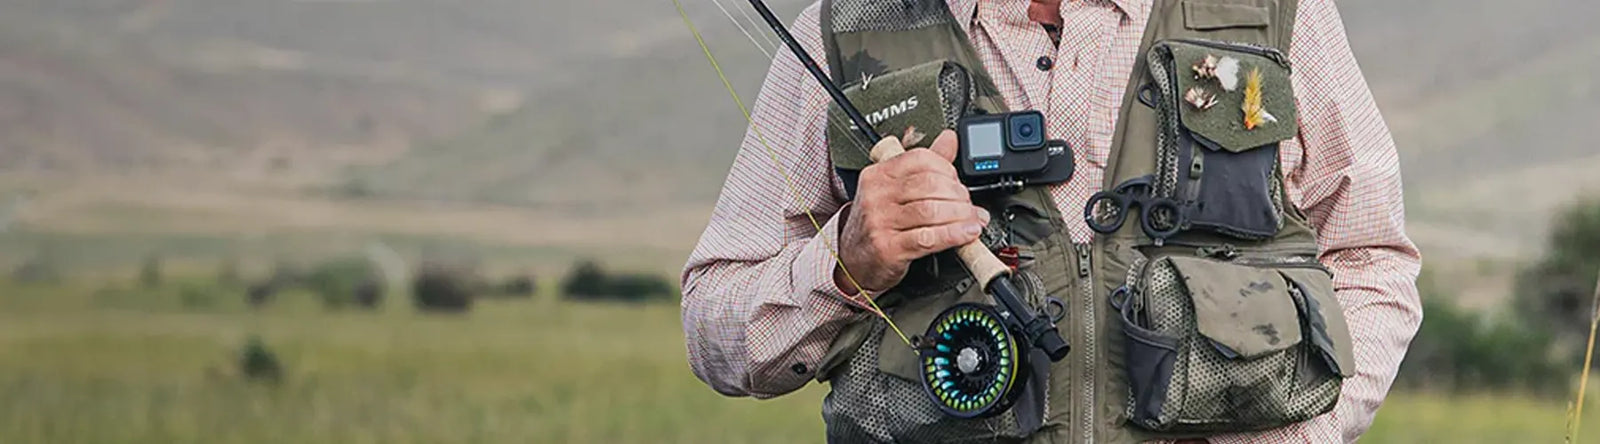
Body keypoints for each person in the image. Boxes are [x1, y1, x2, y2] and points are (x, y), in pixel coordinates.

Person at [680, 0, 1421, 442]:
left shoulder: (1275, 14)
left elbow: (1373, 262)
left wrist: (1293, 437)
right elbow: (717, 327)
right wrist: (847, 262)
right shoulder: (845, 32)